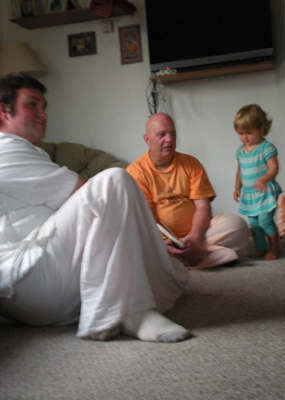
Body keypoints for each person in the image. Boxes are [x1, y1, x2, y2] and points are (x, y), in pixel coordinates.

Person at [0, 73, 192, 343]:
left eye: (44, 106)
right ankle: (131, 311)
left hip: (39, 277)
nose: (43, 114)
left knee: (168, 267)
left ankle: (121, 303)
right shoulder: (5, 149)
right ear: (3, 111)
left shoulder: (29, 151)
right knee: (113, 180)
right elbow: (84, 192)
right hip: (29, 280)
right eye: (32, 104)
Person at [126, 113, 248, 268]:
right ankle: (199, 256)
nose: (169, 139)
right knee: (135, 243)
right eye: (162, 134)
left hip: (198, 235)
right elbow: (144, 218)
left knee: (237, 225)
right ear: (147, 139)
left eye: (172, 133)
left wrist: (195, 236)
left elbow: (203, 206)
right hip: (161, 240)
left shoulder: (191, 163)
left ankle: (182, 258)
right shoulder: (136, 172)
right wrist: (164, 241)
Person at [233, 104, 282, 260]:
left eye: (249, 133)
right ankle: (261, 248)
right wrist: (237, 187)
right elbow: (240, 171)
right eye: (241, 133)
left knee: (265, 220)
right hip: (249, 194)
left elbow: (274, 168)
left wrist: (263, 179)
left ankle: (275, 249)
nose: (245, 137)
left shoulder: (266, 148)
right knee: (253, 224)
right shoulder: (240, 151)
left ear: (262, 129)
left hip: (264, 192)